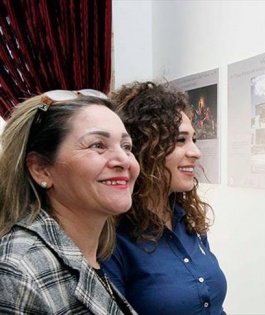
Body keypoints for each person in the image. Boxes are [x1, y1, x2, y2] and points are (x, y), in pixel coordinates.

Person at [0, 90, 140, 314]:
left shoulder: (93, 253)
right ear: (41, 169)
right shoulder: (18, 270)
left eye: (126, 146)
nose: (124, 160)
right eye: (97, 145)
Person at [101, 81, 227, 314]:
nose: (196, 152)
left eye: (194, 140)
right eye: (180, 140)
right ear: (143, 148)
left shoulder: (189, 220)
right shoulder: (112, 238)